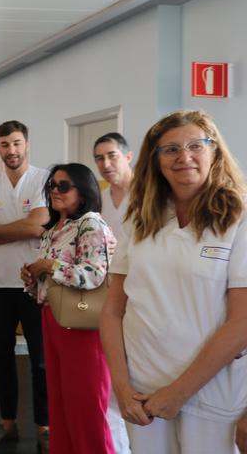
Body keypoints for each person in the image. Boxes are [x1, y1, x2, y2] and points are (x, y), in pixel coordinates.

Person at [100, 110, 247, 454]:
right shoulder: (141, 218)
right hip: (143, 391)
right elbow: (112, 311)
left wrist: (178, 393)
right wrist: (121, 387)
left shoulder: (237, 218)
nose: (185, 157)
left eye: (197, 145)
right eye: (170, 149)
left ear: (215, 151)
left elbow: (242, 321)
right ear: (155, 160)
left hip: (213, 392)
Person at [21, 164, 115, 453]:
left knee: (86, 406)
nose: (55, 191)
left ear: (83, 191)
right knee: (61, 402)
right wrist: (32, 277)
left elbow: (94, 274)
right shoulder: (54, 229)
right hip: (54, 317)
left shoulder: (90, 223)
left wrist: (50, 266)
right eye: (52, 185)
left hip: (82, 324)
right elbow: (51, 279)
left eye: (64, 186)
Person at [0, 120, 50, 447]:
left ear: (27, 144)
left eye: (16, 143)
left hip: (36, 282)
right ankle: (7, 423)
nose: (11, 150)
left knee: (41, 359)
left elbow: (38, 228)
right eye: (5, 145)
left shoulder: (43, 179)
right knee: (1, 358)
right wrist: (22, 229)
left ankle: (45, 428)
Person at [93, 132, 134, 454]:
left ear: (128, 156)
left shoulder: (148, 196)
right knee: (111, 373)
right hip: (109, 296)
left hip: (144, 294)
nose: (106, 164)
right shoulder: (100, 201)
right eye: (99, 158)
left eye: (112, 156)